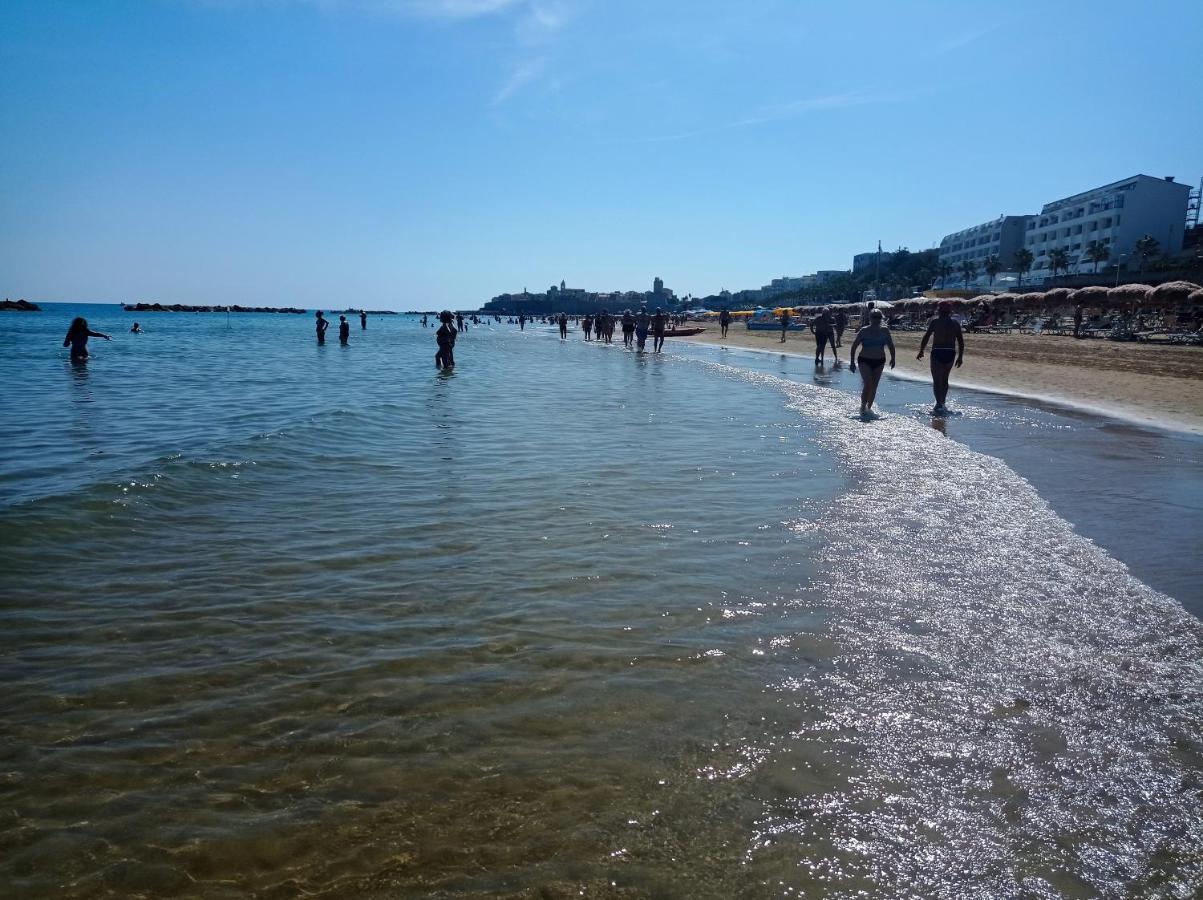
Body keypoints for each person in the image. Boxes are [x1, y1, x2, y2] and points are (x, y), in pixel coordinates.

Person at [917, 300, 965, 413]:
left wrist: (921, 350)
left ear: (939, 311)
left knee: (937, 380)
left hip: (937, 351)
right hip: (950, 352)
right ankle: (942, 402)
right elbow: (961, 342)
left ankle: (938, 403)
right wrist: (960, 357)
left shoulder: (935, 322)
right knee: (944, 379)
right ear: (950, 312)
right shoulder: (955, 324)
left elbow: (926, 337)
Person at [848, 309, 895, 416]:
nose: (877, 319)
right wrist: (851, 362)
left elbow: (891, 345)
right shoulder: (864, 330)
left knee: (874, 386)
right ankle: (863, 406)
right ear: (870, 318)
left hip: (879, 361)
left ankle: (869, 409)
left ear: (881, 318)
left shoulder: (885, 330)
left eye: (879, 317)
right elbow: (854, 346)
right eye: (874, 317)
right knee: (868, 383)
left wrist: (893, 358)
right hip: (865, 360)